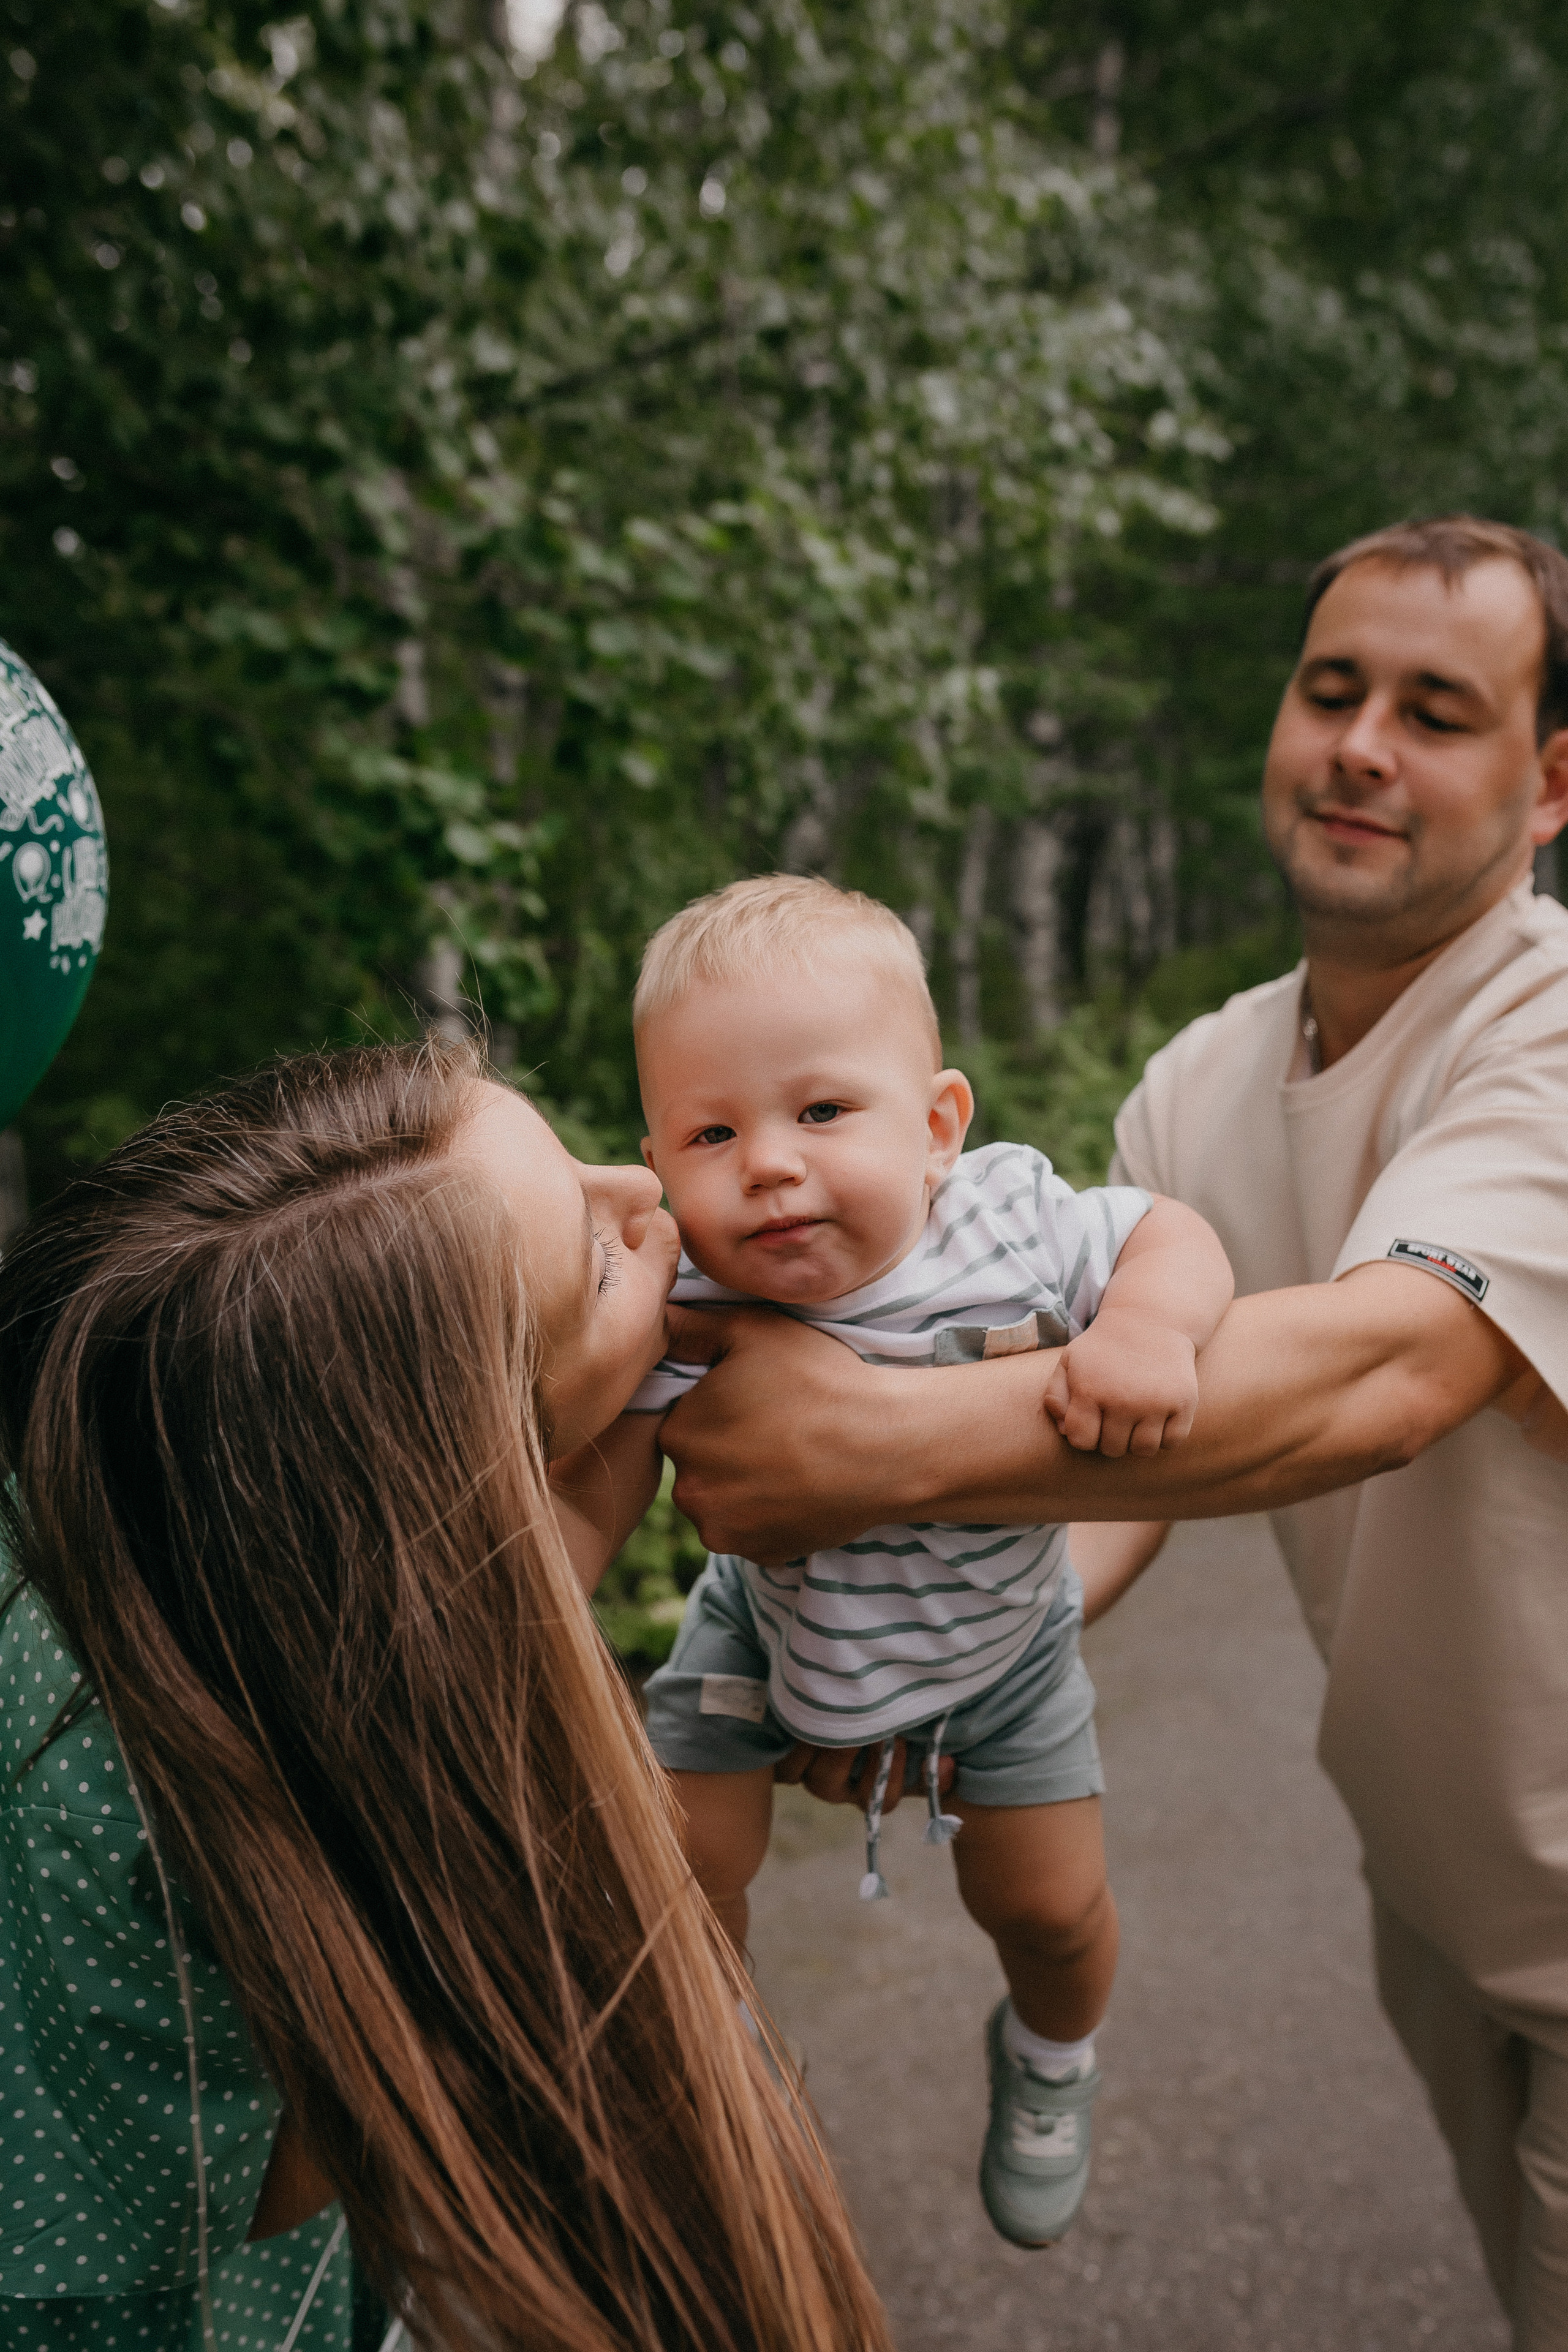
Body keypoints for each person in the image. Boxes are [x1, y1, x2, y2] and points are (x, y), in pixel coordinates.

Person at [655, 516, 1568, 2350]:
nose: (1360, 746)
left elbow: (1388, 1376)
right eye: (1330, 690)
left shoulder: (1545, 1030)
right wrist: (952, 1646)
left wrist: (864, 1445)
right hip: (1436, 1874)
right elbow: (1124, 1462)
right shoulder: (1199, 1079)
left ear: (1550, 783)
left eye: (1435, 711)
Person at [0, 1039, 894, 2352]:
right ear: (444, 1475)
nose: (641, 1191)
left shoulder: (181, 1490)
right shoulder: (122, 1794)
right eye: (596, 1265)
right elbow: (247, 2182)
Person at [616, 874, 1231, 2250]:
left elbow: (1169, 1234)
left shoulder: (1007, 1225)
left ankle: (1051, 2057)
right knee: (675, 1861)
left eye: (822, 1111)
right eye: (712, 1133)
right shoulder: (687, 1291)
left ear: (939, 1125)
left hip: (1002, 1653)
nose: (767, 1164)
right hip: (763, 1632)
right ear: (658, 1162)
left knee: (1048, 1906)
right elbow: (584, 1445)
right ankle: (720, 2054)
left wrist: (1144, 1326)